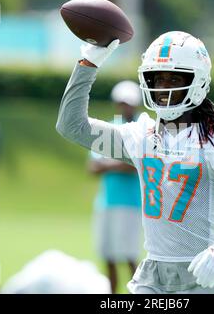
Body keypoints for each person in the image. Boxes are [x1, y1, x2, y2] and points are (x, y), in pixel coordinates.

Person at [56, 31, 214, 294]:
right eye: (158, 78)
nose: (164, 88)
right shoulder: (140, 135)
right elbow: (71, 125)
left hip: (204, 272)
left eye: (175, 78)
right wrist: (88, 63)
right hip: (153, 276)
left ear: (199, 80)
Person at [88, 80, 143, 293]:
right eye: (121, 103)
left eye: (128, 103)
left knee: (130, 256)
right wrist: (123, 162)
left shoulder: (142, 130)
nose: (124, 108)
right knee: (108, 256)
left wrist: (111, 163)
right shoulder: (108, 128)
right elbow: (93, 166)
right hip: (106, 202)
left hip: (131, 203)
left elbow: (138, 165)